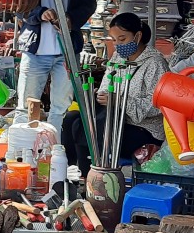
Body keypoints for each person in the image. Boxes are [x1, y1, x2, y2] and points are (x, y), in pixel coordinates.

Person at [15, 0, 97, 135]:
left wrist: (71, 19)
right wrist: (40, 13)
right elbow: (18, 6)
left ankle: (53, 154)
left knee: (59, 108)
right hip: (35, 49)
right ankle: (20, 154)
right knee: (25, 107)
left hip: (67, 51)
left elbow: (89, 4)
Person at [62, 13, 168, 177]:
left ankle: (91, 177)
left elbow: (157, 105)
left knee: (86, 129)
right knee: (71, 120)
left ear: (138, 36)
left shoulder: (155, 63)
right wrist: (100, 95)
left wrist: (119, 101)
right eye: (114, 40)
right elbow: (106, 84)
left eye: (122, 39)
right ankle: (69, 170)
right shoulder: (118, 57)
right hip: (113, 119)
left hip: (143, 129)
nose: (118, 45)